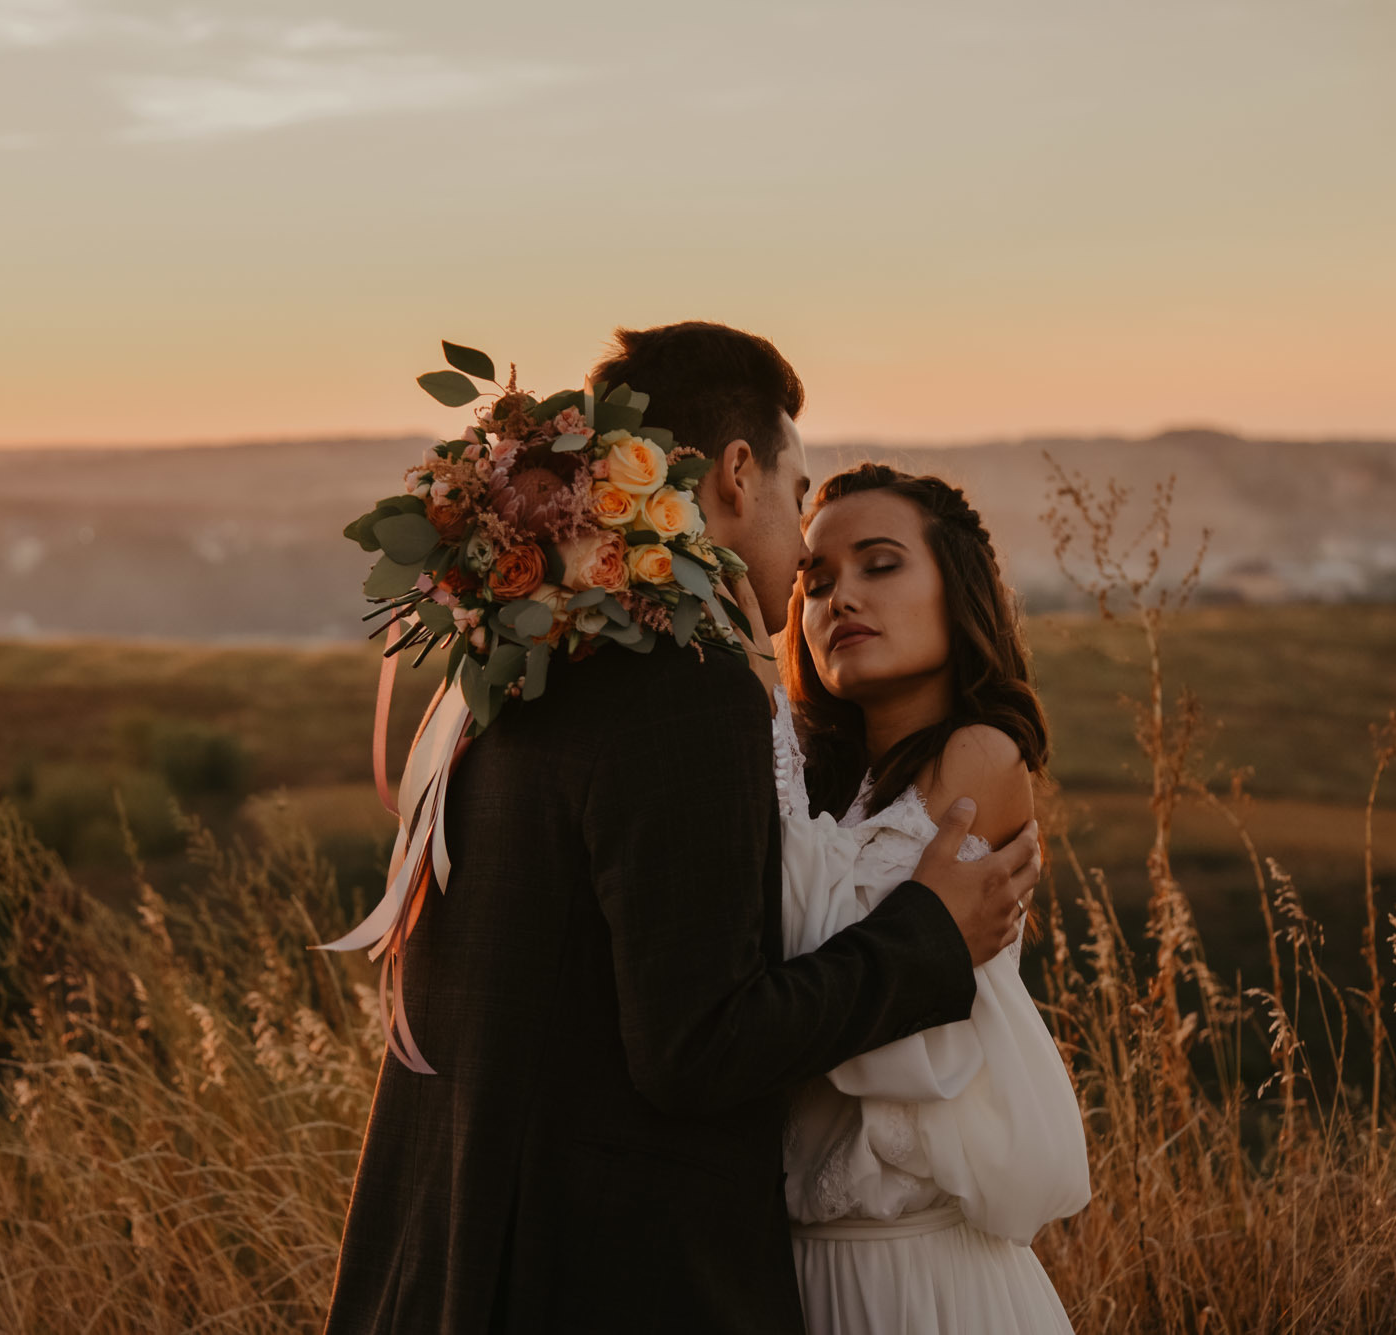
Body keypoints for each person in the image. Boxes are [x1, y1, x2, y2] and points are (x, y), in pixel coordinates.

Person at [323, 323, 1043, 1333]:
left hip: (444, 1253)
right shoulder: (682, 689)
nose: (802, 564)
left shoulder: (529, 663)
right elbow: (697, 1044)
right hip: (588, 1281)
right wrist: (933, 938)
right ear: (737, 474)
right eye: (799, 502)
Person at [771, 463, 1090, 1332]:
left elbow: (820, 948)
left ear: (958, 588)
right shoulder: (831, 792)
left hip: (925, 1280)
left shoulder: (981, 756)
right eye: (815, 581)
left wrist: (747, 684)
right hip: (799, 1278)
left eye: (880, 565)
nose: (839, 600)